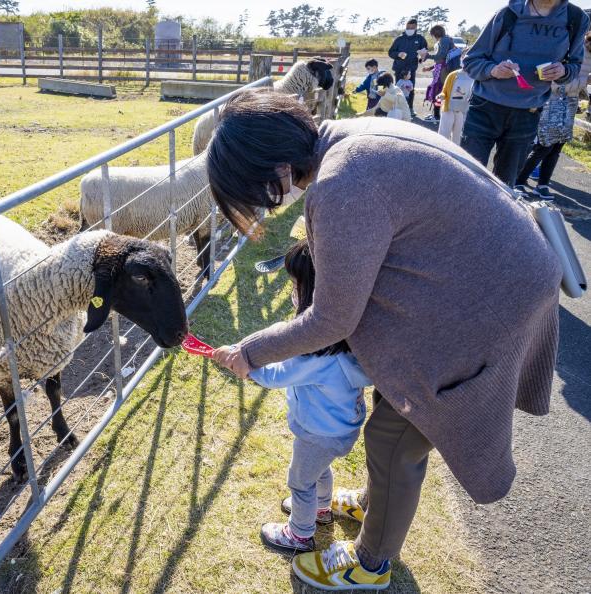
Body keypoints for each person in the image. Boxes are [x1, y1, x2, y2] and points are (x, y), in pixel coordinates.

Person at [206, 89, 560, 591]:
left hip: (492, 298)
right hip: (492, 275)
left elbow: (333, 318)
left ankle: (370, 563)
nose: (263, 204)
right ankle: (375, 504)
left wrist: (250, 351)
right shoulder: (350, 138)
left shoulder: (342, 183)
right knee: (392, 405)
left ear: (274, 166)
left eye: (253, 188)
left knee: (395, 437)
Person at [244, 240, 371, 555]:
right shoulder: (345, 340)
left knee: (301, 481)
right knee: (319, 469)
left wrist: (248, 368)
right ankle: (321, 509)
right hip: (342, 428)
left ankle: (299, 535)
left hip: (317, 432)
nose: (292, 291)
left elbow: (276, 375)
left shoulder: (314, 354)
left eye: (295, 285)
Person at [461, 0, 590, 187]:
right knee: (467, 179)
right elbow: (471, 61)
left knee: (505, 186)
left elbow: (574, 66)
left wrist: (563, 71)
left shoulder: (576, 19)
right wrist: (493, 70)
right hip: (484, 109)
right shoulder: (507, 14)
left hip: (528, 114)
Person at [515, 29, 591, 199]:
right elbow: (555, 83)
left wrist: (583, 84)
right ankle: (518, 180)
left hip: (570, 102)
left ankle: (542, 185)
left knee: (558, 146)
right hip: (553, 101)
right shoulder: (572, 49)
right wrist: (584, 82)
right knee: (544, 145)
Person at [388, 18, 428, 115]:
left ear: (416, 27)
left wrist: (422, 58)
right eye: (408, 27)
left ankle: (410, 108)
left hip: (411, 69)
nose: (410, 29)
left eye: (412, 27)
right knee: (398, 88)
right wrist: (398, 54)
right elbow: (390, 52)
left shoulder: (420, 39)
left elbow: (424, 52)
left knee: (410, 88)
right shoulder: (399, 39)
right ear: (406, 27)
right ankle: (397, 107)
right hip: (399, 68)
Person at [422, 24, 458, 121]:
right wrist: (430, 67)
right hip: (441, 69)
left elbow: (442, 56)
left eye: (432, 34)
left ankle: (437, 115)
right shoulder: (444, 40)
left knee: (438, 90)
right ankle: (437, 114)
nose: (432, 37)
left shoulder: (444, 40)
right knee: (439, 90)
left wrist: (428, 56)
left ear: (435, 33)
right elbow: (442, 59)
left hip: (443, 70)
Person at [437, 68, 474, 144]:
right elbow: (444, 91)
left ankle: (455, 153)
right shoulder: (453, 75)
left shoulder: (474, 76)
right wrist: (442, 96)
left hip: (462, 111)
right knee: (444, 133)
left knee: (457, 136)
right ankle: (441, 150)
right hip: (449, 109)